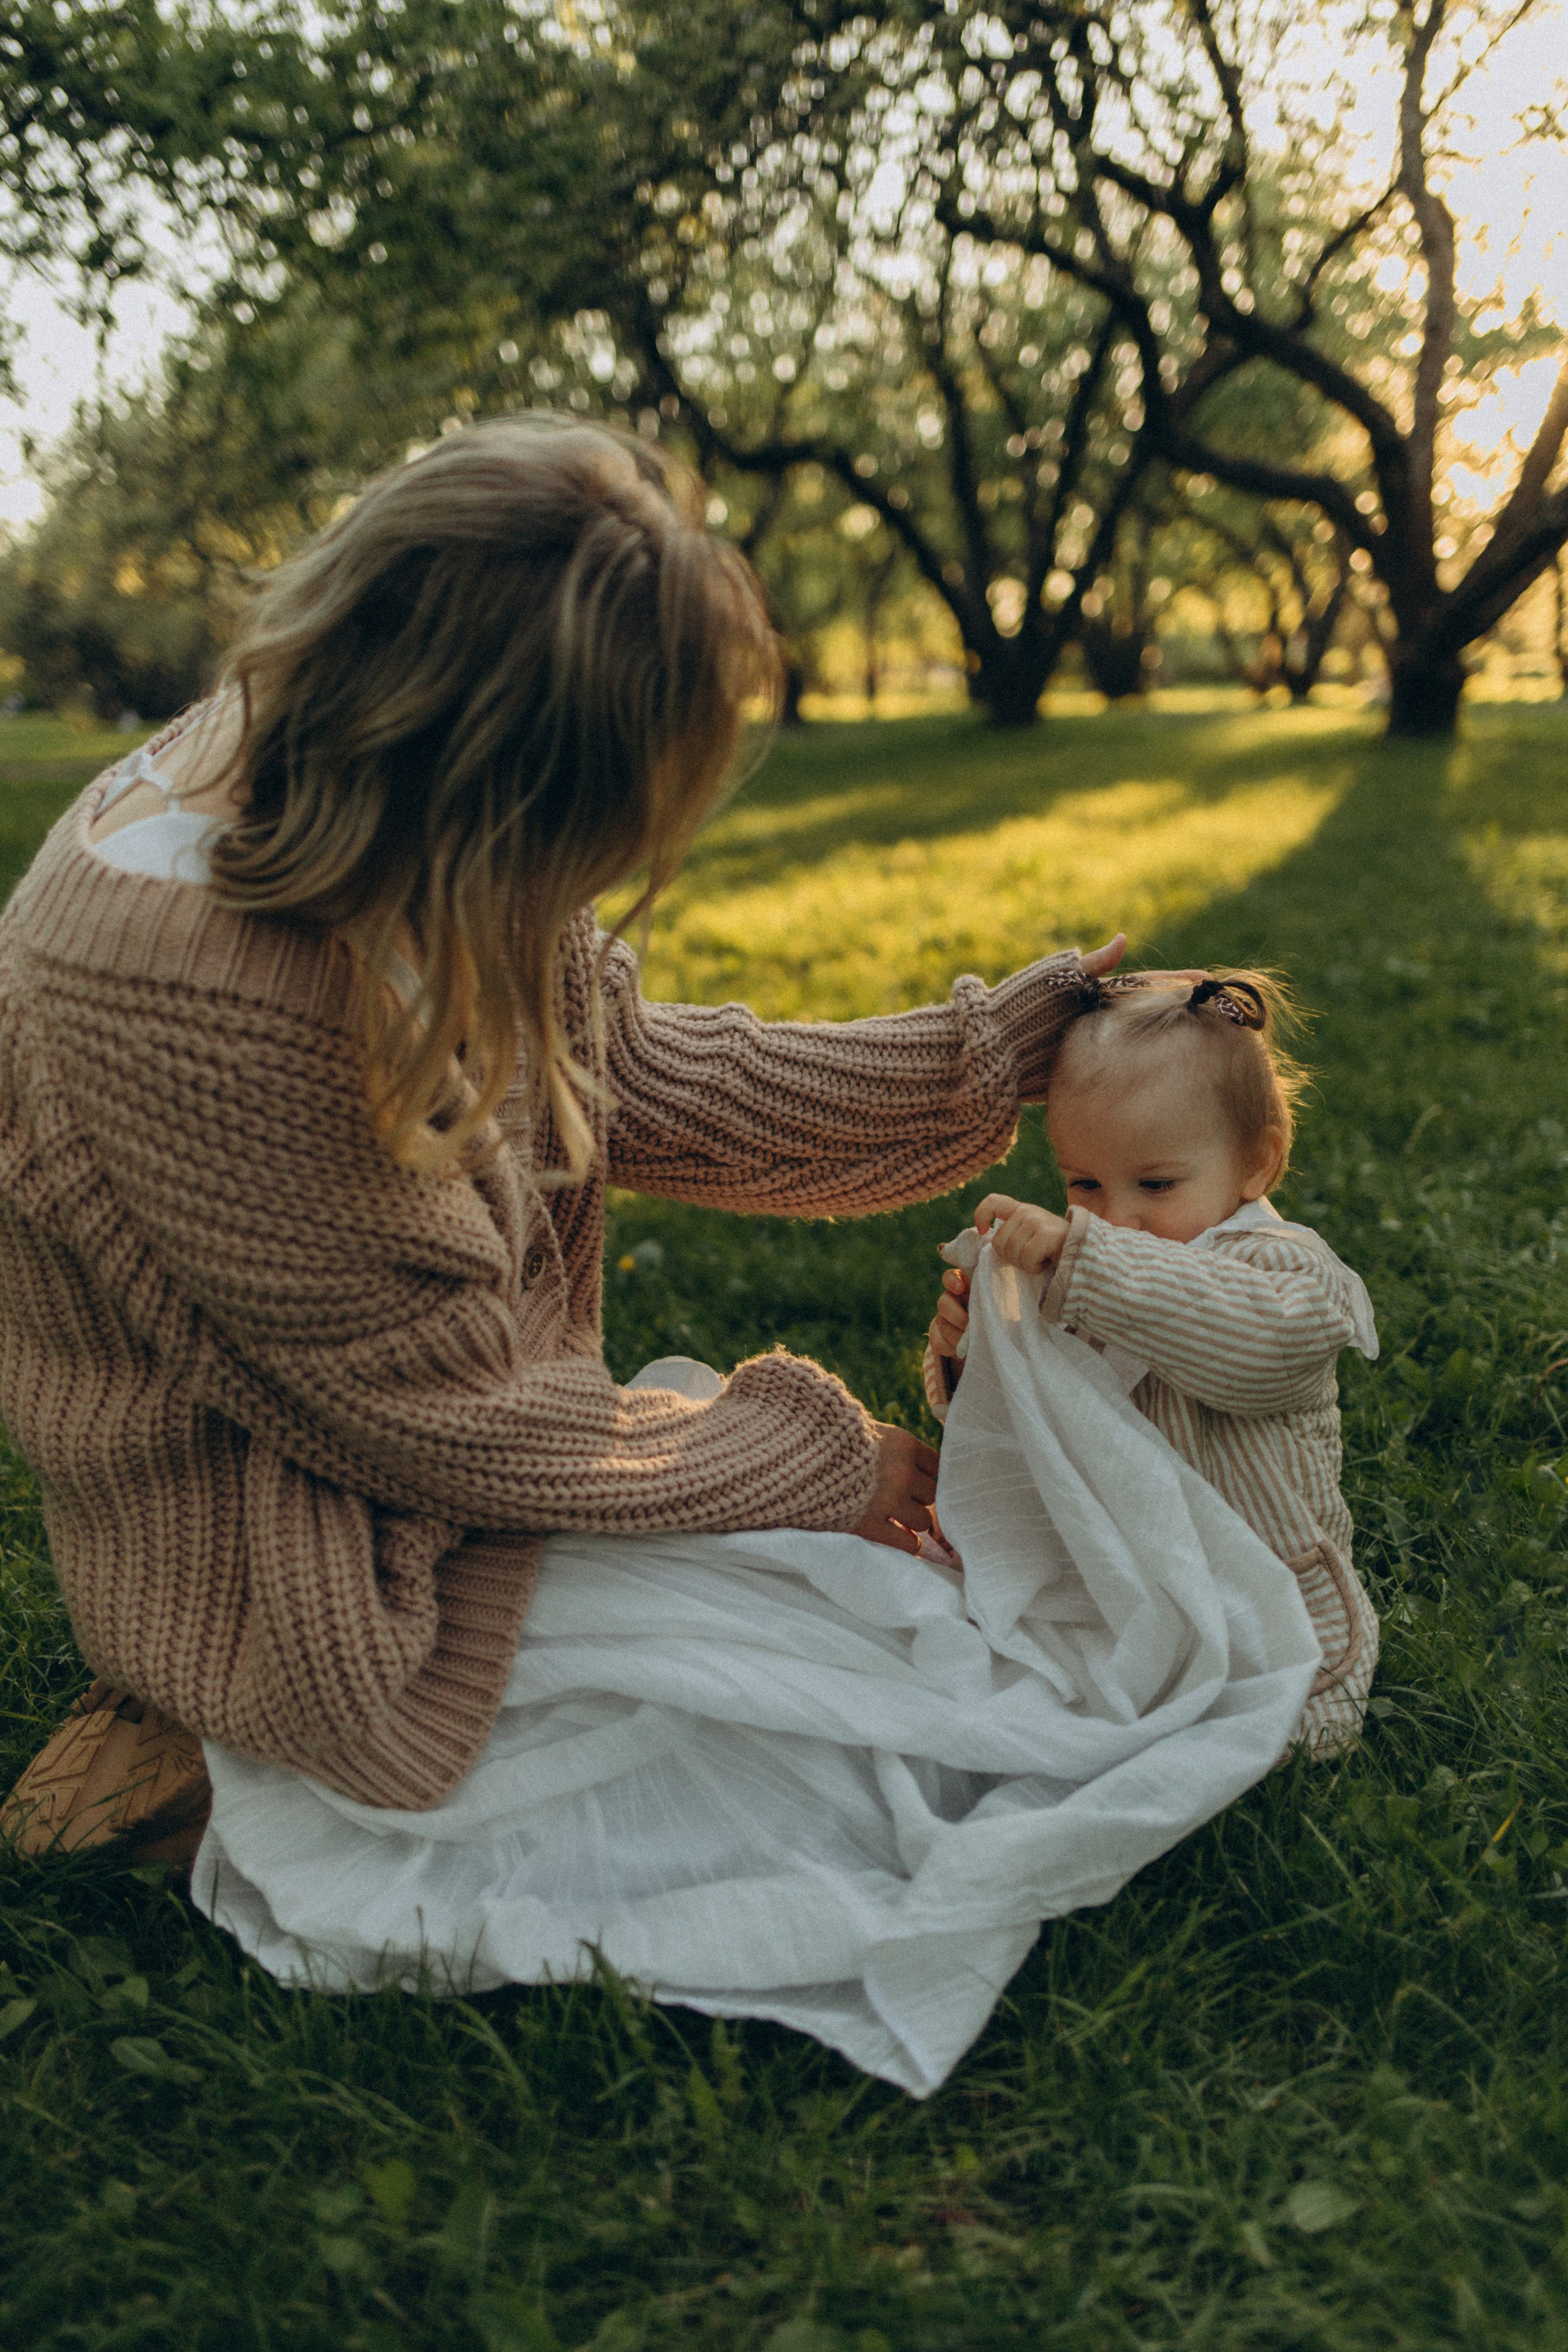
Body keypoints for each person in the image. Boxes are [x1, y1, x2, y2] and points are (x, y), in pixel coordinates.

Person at [0, 412, 1128, 1842]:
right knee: (856, 1719)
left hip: (430, 1453)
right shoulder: (205, 996)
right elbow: (445, 1417)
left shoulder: (362, 764)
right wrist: (815, 1459)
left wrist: (979, 1055)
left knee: (889, 1638)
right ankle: (185, 1747)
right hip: (309, 1570)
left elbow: (624, 1078)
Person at [925, 970, 1381, 1756]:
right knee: (1015, 1684)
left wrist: (1088, 1261)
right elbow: (1031, 1422)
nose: (1117, 1216)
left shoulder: (1287, 1274)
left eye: (1156, 1184)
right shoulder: (1083, 1269)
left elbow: (1254, 1346)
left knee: (1276, 1730)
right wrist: (978, 1352)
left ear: (1256, 1165)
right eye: (1084, 1183)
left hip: (1268, 1590)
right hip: (1122, 1585)